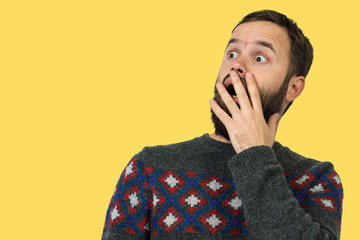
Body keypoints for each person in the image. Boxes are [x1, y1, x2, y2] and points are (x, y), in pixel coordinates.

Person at [101, 10, 343, 240]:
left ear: (293, 88)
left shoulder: (316, 179)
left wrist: (255, 156)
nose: (236, 66)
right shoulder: (148, 168)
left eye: (260, 58)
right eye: (232, 54)